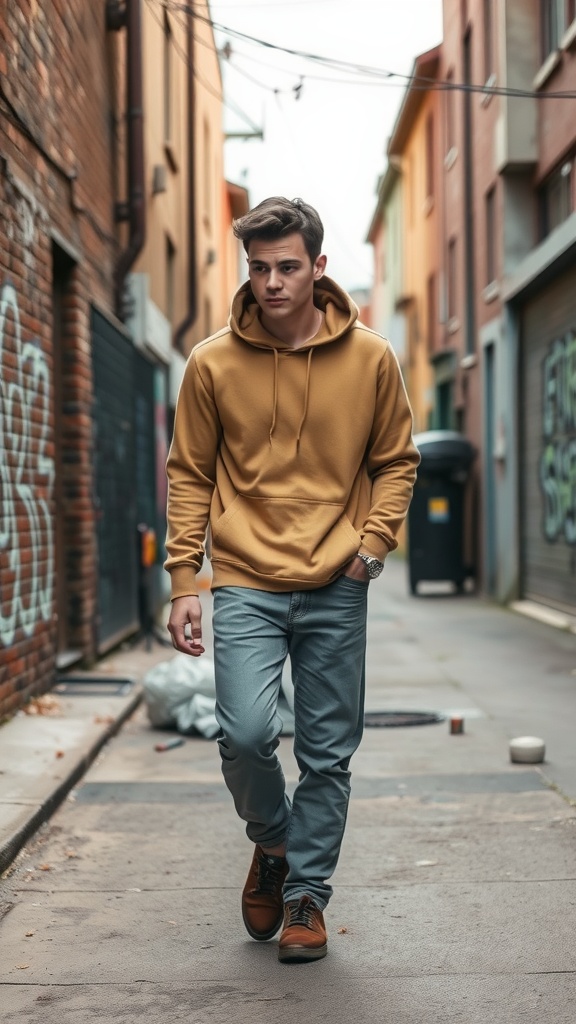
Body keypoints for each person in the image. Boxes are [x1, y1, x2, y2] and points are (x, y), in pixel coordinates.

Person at [165, 196, 419, 963]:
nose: (271, 283)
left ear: (317, 267)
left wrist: (372, 548)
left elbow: (396, 463)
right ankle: (274, 843)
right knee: (242, 735)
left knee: (327, 753)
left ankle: (307, 895)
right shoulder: (211, 362)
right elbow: (189, 475)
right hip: (244, 577)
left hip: (338, 581)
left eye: (286, 267)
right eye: (259, 268)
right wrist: (186, 578)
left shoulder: (371, 358)